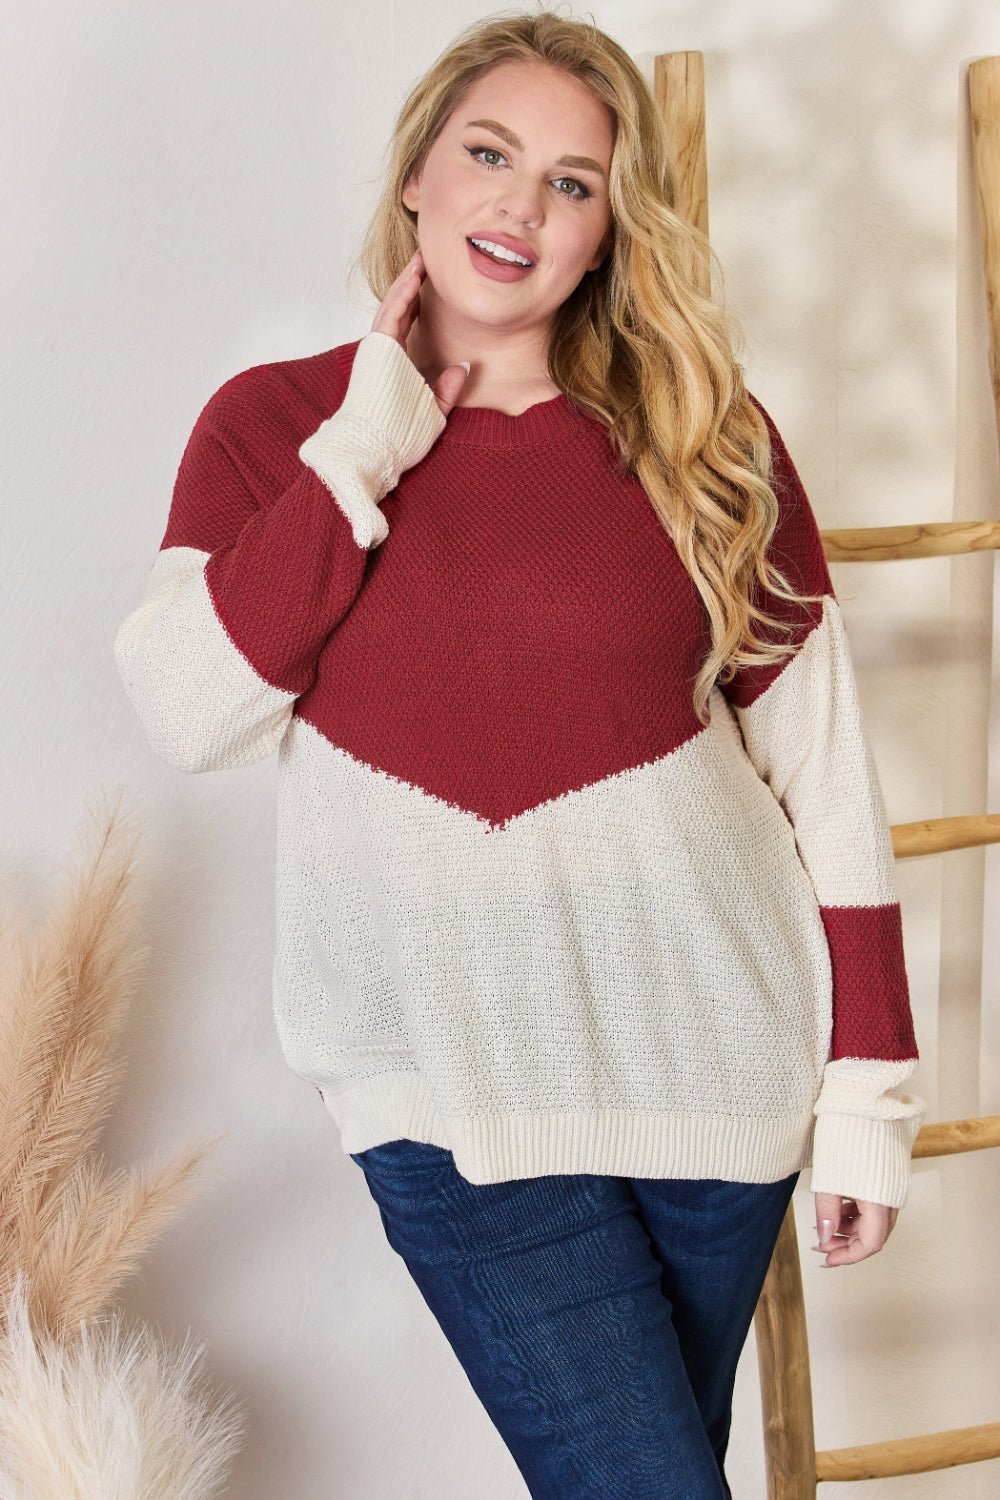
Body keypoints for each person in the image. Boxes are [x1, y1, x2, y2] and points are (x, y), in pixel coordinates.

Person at [113, 8, 925, 1497]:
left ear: (610, 231)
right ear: (417, 172)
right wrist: (362, 450)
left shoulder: (704, 436)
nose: (522, 206)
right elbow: (187, 710)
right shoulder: (275, 427)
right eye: (490, 154)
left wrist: (868, 1096)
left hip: (719, 1079)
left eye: (572, 181)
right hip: (447, 1095)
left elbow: (825, 767)